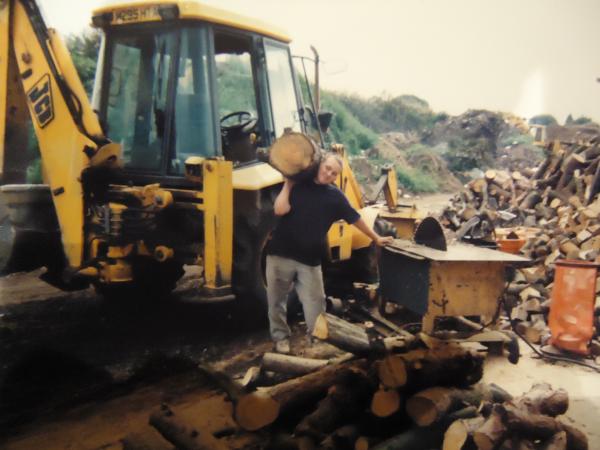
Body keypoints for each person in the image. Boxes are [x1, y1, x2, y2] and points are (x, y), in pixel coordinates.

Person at [266, 153, 394, 354]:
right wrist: (288, 184)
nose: (329, 174)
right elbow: (280, 210)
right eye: (327, 168)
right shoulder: (298, 183)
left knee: (316, 304)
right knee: (276, 301)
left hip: (310, 260)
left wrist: (376, 237)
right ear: (319, 164)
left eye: (334, 173)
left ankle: (317, 339)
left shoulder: (335, 196)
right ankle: (280, 338)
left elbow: (355, 218)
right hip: (280, 255)